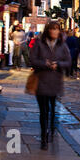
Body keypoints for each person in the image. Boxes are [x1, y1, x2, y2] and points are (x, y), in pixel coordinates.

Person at [30, 21, 72, 150]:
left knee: (53, 110)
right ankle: (44, 137)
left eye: (57, 29)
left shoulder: (62, 45)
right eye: (53, 29)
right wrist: (45, 63)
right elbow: (32, 60)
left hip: (55, 82)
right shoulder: (39, 43)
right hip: (42, 81)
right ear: (48, 30)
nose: (55, 31)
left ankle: (51, 131)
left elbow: (68, 61)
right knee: (44, 111)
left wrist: (58, 64)